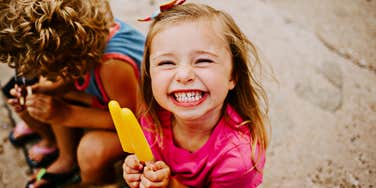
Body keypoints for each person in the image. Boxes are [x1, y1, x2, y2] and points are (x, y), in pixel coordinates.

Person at [122, 2, 269, 188]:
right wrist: (140, 170)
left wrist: (170, 185)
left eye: (203, 60)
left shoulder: (239, 160)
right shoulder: (153, 116)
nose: (184, 76)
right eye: (167, 62)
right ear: (149, 74)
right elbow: (149, 160)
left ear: (233, 75)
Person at [0, 0, 145, 187]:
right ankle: (66, 157)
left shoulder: (113, 66)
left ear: (63, 57)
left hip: (145, 123)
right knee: (47, 92)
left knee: (91, 152)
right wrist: (48, 89)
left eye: (43, 67)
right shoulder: (80, 35)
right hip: (110, 99)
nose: (39, 73)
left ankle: (100, 182)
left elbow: (135, 124)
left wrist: (65, 114)